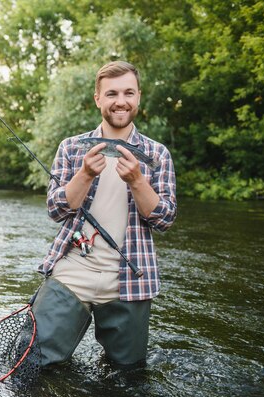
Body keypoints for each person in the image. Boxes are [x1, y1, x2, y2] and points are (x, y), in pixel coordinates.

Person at [36, 60, 177, 368]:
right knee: (34, 361)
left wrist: (138, 181)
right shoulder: (73, 147)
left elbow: (165, 219)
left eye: (129, 92)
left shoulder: (157, 155)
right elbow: (55, 210)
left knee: (127, 375)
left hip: (130, 276)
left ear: (139, 97)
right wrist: (84, 174)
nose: (121, 101)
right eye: (111, 93)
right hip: (73, 269)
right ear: (98, 98)